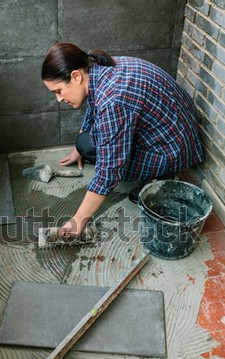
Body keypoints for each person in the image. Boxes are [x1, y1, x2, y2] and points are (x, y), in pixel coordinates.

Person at [42, 42, 203, 237]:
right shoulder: (98, 68)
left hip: (174, 147)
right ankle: (151, 169)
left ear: (75, 76)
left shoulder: (114, 99)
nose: (58, 99)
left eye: (58, 91)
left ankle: (159, 177)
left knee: (107, 161)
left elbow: (109, 171)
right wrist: (78, 149)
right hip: (171, 129)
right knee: (85, 144)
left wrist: (78, 221)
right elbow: (94, 106)